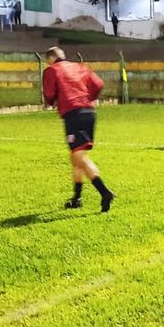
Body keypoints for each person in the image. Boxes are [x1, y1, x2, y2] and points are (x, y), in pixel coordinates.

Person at [41, 46, 115, 212]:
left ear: (51, 59)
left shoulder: (52, 70)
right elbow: (98, 84)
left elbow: (49, 93)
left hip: (73, 115)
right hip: (89, 113)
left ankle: (105, 192)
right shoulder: (79, 66)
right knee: (75, 157)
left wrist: (52, 101)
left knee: (80, 157)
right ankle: (77, 198)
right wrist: (87, 98)